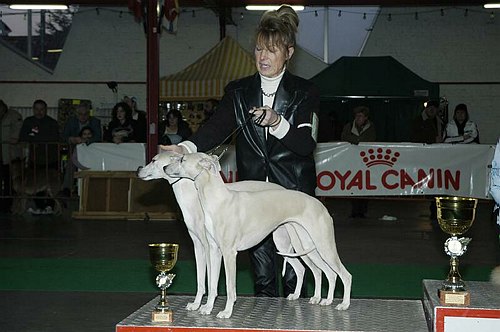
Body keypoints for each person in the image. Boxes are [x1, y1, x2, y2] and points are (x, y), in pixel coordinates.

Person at [161, 5, 319, 298]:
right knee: (262, 274)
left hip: (293, 193)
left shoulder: (306, 91)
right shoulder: (238, 91)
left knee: (294, 272)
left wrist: (277, 122)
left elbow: (306, 145)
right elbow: (216, 128)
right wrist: (184, 148)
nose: (263, 57)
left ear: (289, 52)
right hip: (252, 198)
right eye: (259, 49)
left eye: (271, 50)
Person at [18, 99, 60, 215]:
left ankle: (50, 207)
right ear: (33, 109)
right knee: (35, 184)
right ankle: (39, 206)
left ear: (46, 110)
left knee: (50, 185)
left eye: (41, 109)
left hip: (50, 159)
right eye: (36, 109)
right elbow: (23, 137)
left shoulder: (52, 123)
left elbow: (54, 139)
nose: (39, 112)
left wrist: (34, 138)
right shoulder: (28, 121)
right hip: (35, 159)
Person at [341, 106, 376, 218]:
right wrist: (358, 141)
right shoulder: (349, 126)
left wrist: (356, 141)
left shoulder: (371, 127)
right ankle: (354, 210)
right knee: (354, 185)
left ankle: (362, 210)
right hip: (352, 160)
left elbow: (372, 139)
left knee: (365, 185)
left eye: (360, 116)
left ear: (365, 118)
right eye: (356, 116)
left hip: (366, 161)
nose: (358, 118)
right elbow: (344, 136)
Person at [0, 100, 23, 213]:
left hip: (11, 156)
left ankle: (7, 205)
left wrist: (7, 140)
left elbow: (15, 137)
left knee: (10, 181)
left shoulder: (14, 116)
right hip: (2, 155)